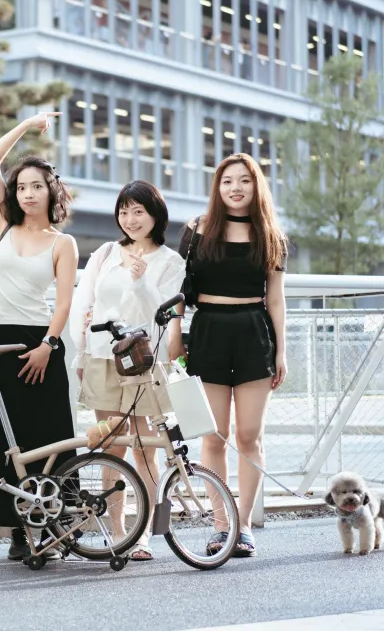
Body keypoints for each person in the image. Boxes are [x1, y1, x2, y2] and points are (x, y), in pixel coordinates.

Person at [170, 152, 288, 558]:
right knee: (214, 435)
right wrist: (175, 334)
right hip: (209, 332)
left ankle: (245, 526)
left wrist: (282, 352)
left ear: (257, 186)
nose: (235, 188)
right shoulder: (197, 229)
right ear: (217, 188)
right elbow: (178, 289)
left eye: (244, 180)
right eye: (227, 181)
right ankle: (222, 526)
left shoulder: (271, 235)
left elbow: (276, 299)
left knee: (249, 436)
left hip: (255, 334)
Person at [0, 111, 79, 560]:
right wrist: (26, 125)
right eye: (21, 187)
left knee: (47, 438)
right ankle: (19, 532)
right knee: (6, 441)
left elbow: (63, 304)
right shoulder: (2, 225)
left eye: (37, 186)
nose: (28, 193)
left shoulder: (63, 243)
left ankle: (56, 526)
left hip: (41, 343)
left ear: (51, 191)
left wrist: (47, 346)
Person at [68, 180, 184, 561]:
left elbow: (159, 315)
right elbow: (84, 304)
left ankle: (144, 532)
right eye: (124, 211)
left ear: (155, 215)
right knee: (111, 445)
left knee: (145, 446)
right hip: (103, 358)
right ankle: (118, 532)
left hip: (143, 363)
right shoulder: (105, 253)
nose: (130, 219)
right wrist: (81, 354)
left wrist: (141, 279)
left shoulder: (170, 262)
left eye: (138, 211)